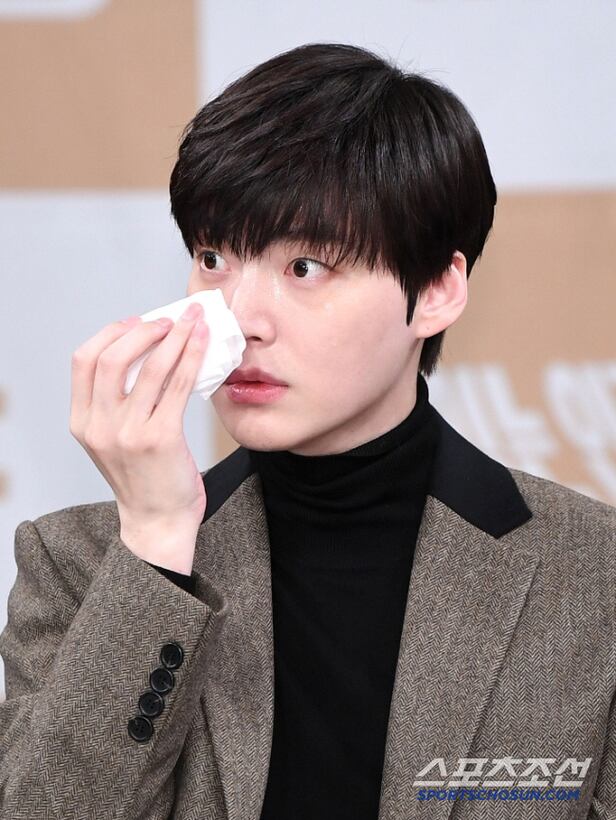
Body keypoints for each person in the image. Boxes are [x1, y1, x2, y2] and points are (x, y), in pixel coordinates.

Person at [1, 41, 614, 820]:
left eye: (305, 268)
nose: (240, 319)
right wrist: (155, 544)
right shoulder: (81, 565)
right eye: (213, 257)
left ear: (434, 291)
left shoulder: (593, 575)